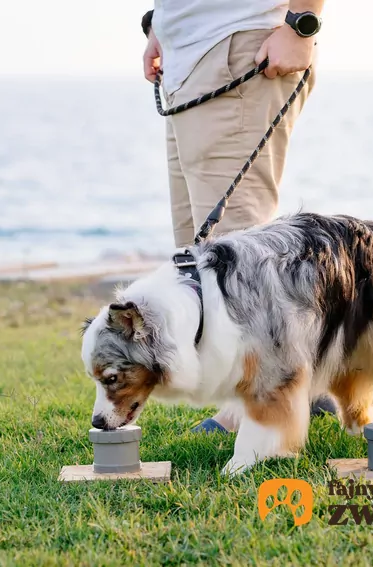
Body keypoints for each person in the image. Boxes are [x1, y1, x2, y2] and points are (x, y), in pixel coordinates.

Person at [141, 1, 337, 433]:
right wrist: (163, 26)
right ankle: (302, 384)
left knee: (239, 254)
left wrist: (301, 25)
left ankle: (257, 404)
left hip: (238, 47)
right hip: (191, 55)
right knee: (199, 250)